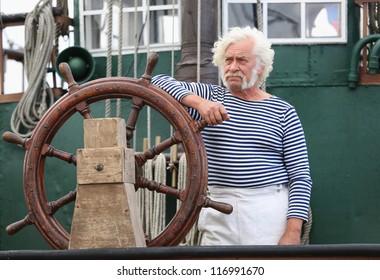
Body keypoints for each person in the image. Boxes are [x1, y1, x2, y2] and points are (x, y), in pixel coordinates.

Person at [151, 26, 312, 245]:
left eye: (241, 60)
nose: (233, 67)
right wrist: (199, 103)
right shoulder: (210, 97)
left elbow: (300, 176)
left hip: (268, 211)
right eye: (228, 60)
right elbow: (155, 82)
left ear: (261, 66)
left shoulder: (283, 111)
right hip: (218, 206)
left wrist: (293, 231)